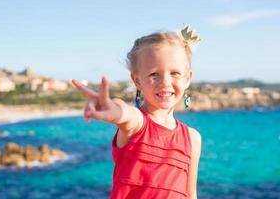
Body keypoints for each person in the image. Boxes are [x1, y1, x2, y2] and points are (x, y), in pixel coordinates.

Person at [72, 25, 202, 199]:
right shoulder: (137, 123)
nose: (165, 82)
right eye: (154, 74)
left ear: (187, 79)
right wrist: (110, 107)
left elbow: (190, 194)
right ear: (137, 80)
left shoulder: (192, 139)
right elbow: (124, 113)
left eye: (175, 73)